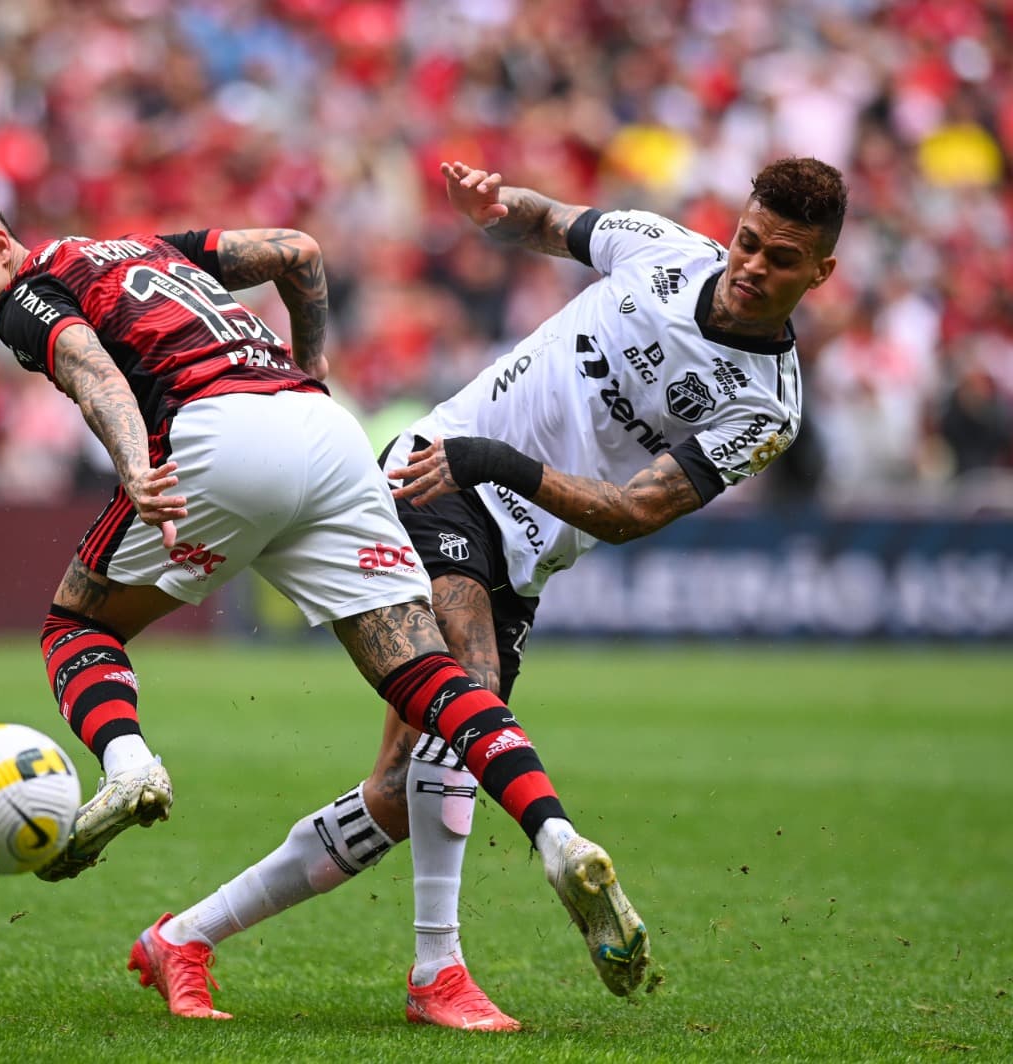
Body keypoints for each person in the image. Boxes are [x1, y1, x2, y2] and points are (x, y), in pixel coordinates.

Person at [0, 193, 635, 1027]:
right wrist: (314, 372)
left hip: (217, 435)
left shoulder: (35, 287)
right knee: (428, 677)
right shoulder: (149, 250)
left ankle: (129, 759)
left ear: (0, 244)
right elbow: (298, 252)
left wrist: (135, 465)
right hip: (325, 433)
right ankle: (555, 836)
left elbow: (91, 370)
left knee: (77, 626)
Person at [141, 156, 847, 1030]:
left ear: (820, 272)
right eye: (747, 241)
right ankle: (439, 969)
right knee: (466, 690)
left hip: (519, 539)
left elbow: (632, 511)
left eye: (780, 260)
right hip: (439, 468)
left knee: (404, 789)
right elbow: (547, 221)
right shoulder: (660, 250)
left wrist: (501, 464)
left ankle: (185, 936)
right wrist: (494, 208)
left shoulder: (765, 407)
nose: (750, 266)